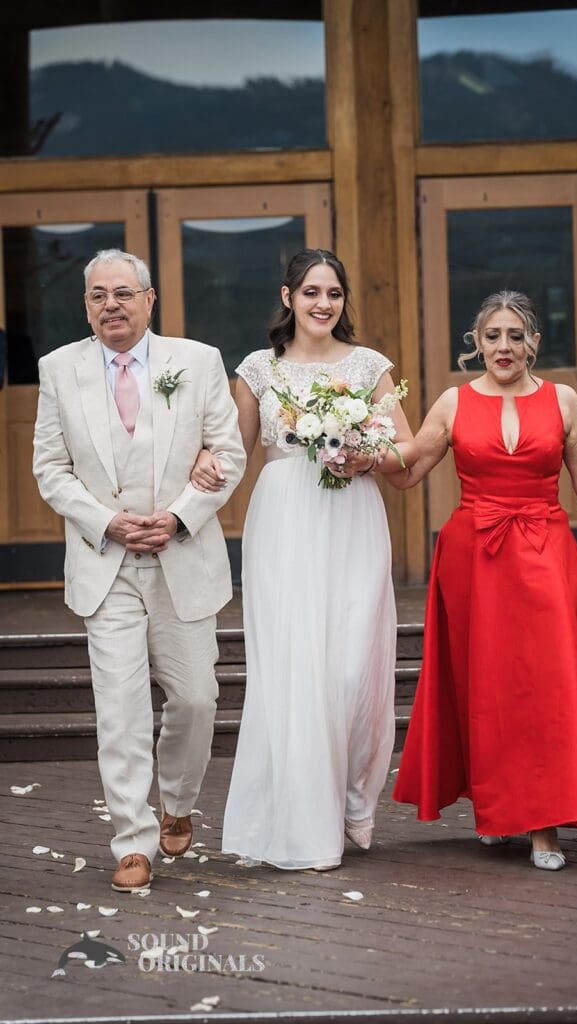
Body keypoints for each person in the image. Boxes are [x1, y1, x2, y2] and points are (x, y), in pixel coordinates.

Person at [391, 290, 577, 870]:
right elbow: (408, 471)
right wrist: (348, 446)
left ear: (534, 340)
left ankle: (543, 825)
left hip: (545, 555)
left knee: (545, 687)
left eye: (515, 335)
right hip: (475, 560)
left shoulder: (561, 400)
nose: (503, 347)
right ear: (476, 343)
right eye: (492, 336)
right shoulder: (452, 403)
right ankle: (496, 806)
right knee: (484, 689)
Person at [191, 248, 416, 870]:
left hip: (352, 519)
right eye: (311, 291)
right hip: (285, 516)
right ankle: (294, 818)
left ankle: (349, 801)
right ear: (288, 297)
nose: (324, 303)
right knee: (291, 667)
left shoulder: (371, 367)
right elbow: (232, 454)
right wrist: (201, 465)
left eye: (334, 294)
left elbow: (407, 454)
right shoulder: (259, 370)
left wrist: (367, 455)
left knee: (349, 668)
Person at [32, 249, 246, 891]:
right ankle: (132, 838)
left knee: (196, 699)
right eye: (97, 296)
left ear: (149, 300)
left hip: (182, 556)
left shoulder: (197, 361)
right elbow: (50, 470)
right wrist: (106, 521)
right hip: (107, 565)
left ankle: (178, 799)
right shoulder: (58, 369)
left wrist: (180, 515)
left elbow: (229, 453)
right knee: (120, 709)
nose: (110, 306)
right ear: (86, 306)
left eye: (123, 293)